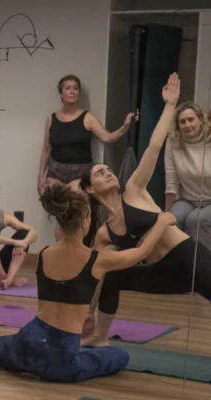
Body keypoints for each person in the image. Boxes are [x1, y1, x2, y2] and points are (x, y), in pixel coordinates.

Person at [0, 185, 175, 383]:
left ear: (59, 223)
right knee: (119, 356)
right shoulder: (97, 259)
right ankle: (74, 359)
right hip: (61, 360)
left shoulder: (46, 253)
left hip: (27, 342)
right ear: (85, 221)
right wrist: (163, 221)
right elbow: (141, 251)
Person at [81, 73, 211, 346]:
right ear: (90, 189)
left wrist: (169, 106)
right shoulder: (104, 234)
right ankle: (99, 337)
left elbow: (154, 146)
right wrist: (87, 312)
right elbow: (97, 274)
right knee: (112, 275)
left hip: (189, 258)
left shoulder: (134, 189)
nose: (108, 173)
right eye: (100, 173)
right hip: (163, 274)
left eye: (108, 169)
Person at [38, 74, 135, 194]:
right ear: (61, 93)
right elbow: (46, 150)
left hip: (80, 171)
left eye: (75, 88)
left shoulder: (88, 118)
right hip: (55, 171)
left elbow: (108, 138)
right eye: (68, 88)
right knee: (53, 202)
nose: (72, 91)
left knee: (77, 205)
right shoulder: (51, 119)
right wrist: (40, 178)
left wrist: (125, 126)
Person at [165, 100, 211, 244]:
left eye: (191, 119)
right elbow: (171, 180)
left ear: (201, 120)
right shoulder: (173, 142)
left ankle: (202, 265)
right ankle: (177, 264)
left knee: (196, 220)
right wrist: (167, 211)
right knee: (171, 220)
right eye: (182, 121)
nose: (187, 125)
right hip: (188, 199)